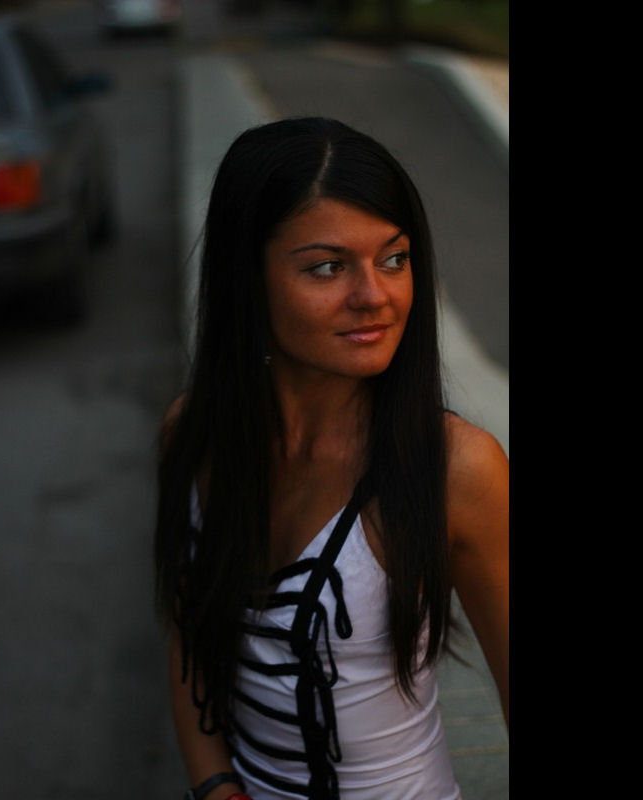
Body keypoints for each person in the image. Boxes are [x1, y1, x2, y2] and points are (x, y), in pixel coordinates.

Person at [154, 117, 508, 800]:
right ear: (247, 278)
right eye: (327, 267)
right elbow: (189, 636)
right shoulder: (193, 436)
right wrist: (216, 784)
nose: (375, 296)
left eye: (394, 259)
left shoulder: (454, 469)